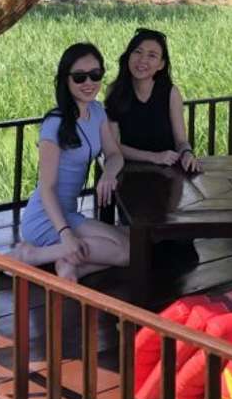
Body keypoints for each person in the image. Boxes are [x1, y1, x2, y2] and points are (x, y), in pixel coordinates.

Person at [15, 43, 129, 281]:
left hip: (68, 212)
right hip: (47, 217)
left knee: (131, 244)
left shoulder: (97, 111)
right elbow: (46, 188)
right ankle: (34, 255)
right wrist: (65, 233)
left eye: (95, 75)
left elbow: (115, 155)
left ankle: (69, 264)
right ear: (66, 80)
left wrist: (109, 174)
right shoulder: (55, 123)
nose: (89, 83)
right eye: (79, 77)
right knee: (127, 252)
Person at [105, 27, 201, 173]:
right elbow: (114, 146)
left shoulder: (171, 93)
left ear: (161, 64)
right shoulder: (115, 91)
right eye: (137, 52)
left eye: (152, 55)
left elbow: (181, 142)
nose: (142, 60)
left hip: (167, 174)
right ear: (128, 56)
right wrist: (154, 157)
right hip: (126, 173)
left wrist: (187, 153)